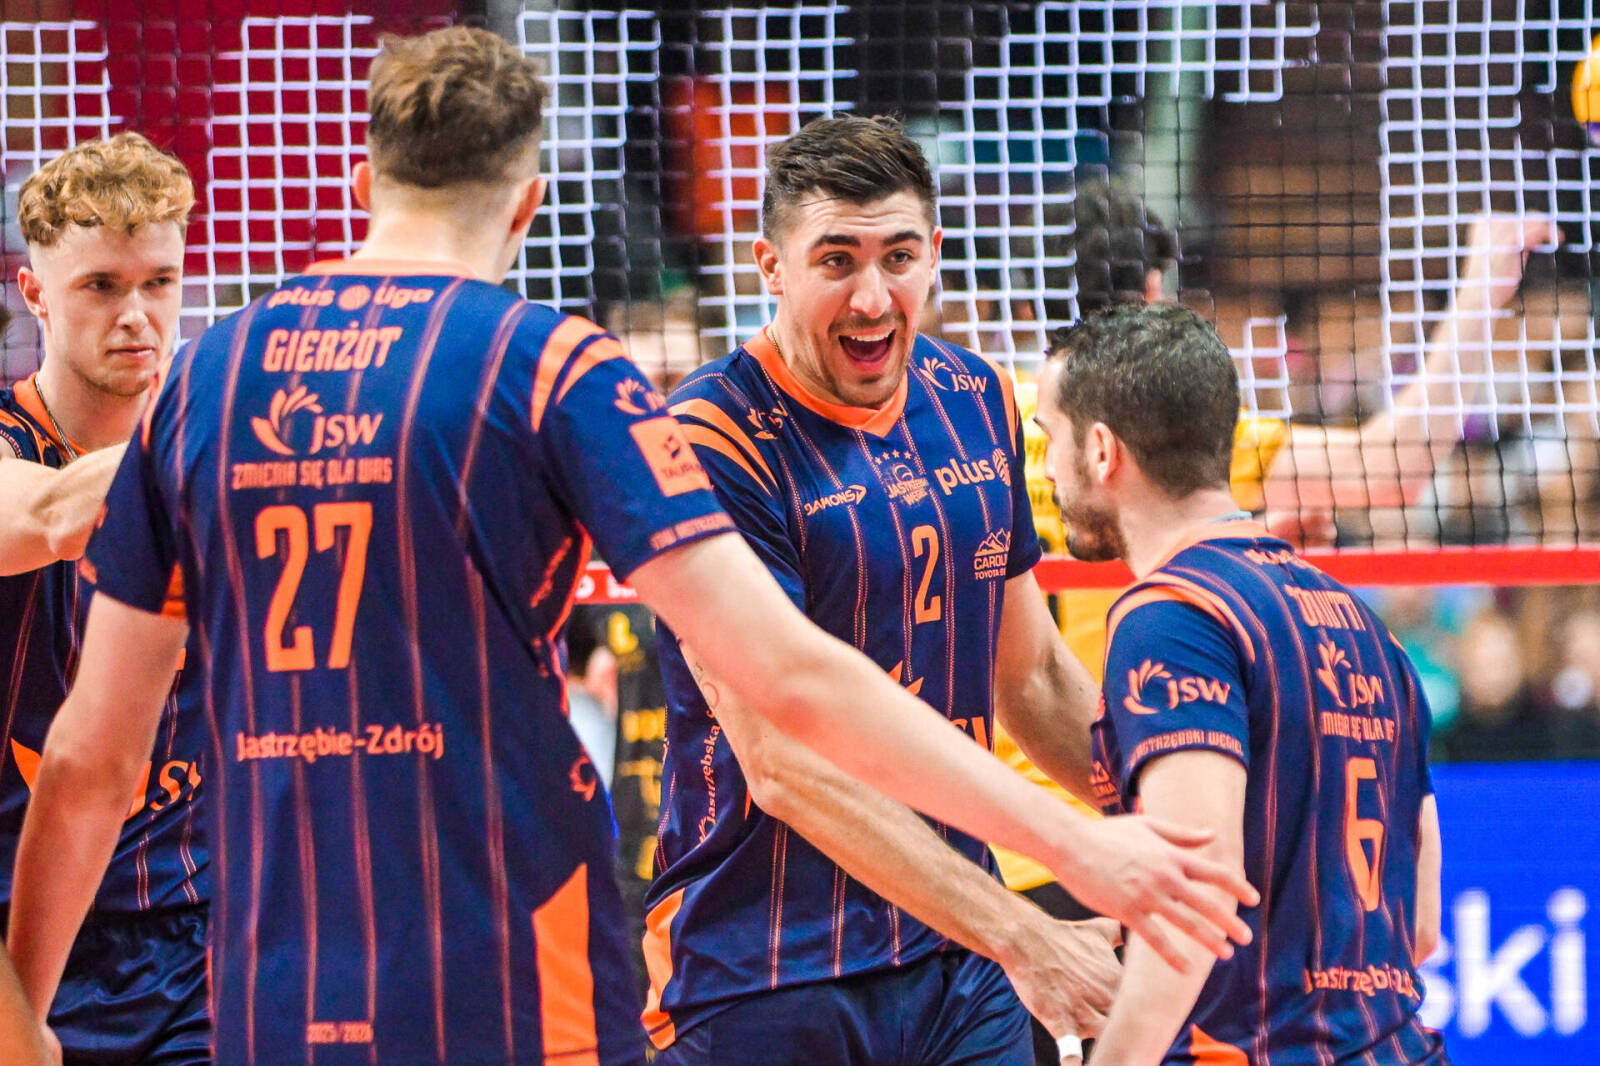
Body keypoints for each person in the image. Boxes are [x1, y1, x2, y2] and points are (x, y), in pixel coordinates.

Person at [7, 30, 1255, 1066]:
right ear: (526, 200)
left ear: (360, 179)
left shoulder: (207, 384)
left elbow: (91, 755)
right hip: (514, 952)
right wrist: (1075, 845)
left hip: (271, 960)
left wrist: (21, 1009)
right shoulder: (549, 369)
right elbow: (786, 682)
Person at [642, 114, 1226, 1066]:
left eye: (899, 257)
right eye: (837, 261)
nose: (873, 297)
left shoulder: (976, 397)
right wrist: (1025, 934)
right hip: (765, 968)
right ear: (771, 266)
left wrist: (1202, 839)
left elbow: (1032, 679)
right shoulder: (708, 436)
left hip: (957, 961)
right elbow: (783, 764)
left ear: (935, 256)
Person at [990, 178, 1552, 1061]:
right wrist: (1484, 281)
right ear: (1156, 297)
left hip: (1067, 858)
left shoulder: (987, 430)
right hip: (1352, 988)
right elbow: (1399, 464)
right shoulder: (1358, 622)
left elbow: (1192, 890)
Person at [1033, 302, 1447, 1064]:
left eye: (1048, 438)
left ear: (1100, 450)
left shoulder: (1169, 616)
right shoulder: (1366, 626)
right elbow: (1418, 925)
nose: (1048, 468)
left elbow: (1199, 895)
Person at [0, 133, 209, 1065]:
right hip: (20, 936)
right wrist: (236, 431)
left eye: (159, 283)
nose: (137, 316)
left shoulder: (209, 442)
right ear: (35, 292)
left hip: (197, 933)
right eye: (101, 286)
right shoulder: (14, 445)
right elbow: (50, 512)